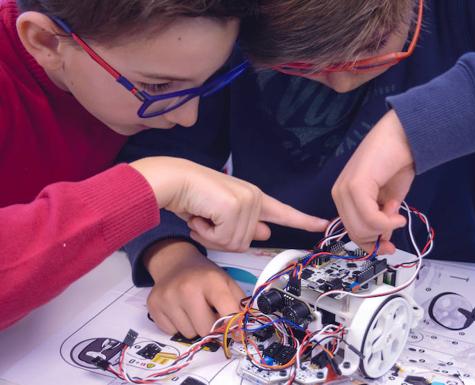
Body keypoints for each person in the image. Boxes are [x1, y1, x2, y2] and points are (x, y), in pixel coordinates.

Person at [120, 0, 475, 338]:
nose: (339, 82)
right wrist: (172, 256)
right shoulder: (231, 23)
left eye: (370, 56)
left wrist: (417, 126)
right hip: (265, 281)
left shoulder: (466, 13)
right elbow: (160, 154)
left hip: (440, 280)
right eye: (301, 65)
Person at [0, 0, 328, 331]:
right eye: (157, 87)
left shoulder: (143, 60)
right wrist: (150, 185)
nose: (188, 117)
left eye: (212, 80)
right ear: (47, 41)